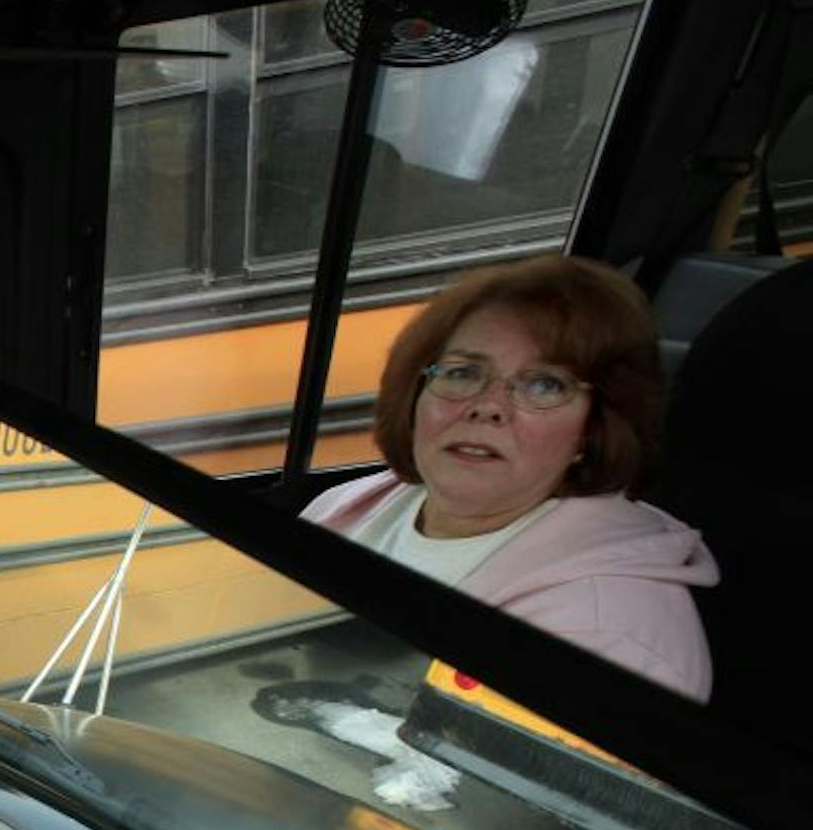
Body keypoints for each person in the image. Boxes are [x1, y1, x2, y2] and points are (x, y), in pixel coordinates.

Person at [302, 255, 717, 701]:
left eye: (544, 385)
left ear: (594, 429)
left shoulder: (613, 636)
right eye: (463, 372)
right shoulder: (347, 505)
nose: (488, 405)